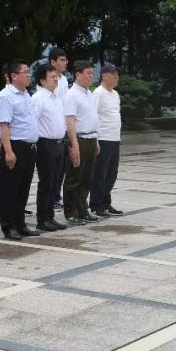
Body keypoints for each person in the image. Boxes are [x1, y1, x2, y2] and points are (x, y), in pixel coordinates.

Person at [0, 60, 39, 240]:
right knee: (9, 189)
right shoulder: (6, 96)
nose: (29, 75)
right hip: (15, 146)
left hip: (29, 147)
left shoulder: (26, 94)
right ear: (14, 76)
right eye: (25, 72)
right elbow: (4, 125)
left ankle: (20, 224)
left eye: (29, 72)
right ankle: (9, 226)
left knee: (23, 188)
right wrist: (8, 151)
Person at [32, 64, 68, 232]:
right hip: (45, 144)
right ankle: (42, 219)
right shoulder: (38, 98)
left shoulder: (57, 97)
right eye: (52, 77)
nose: (56, 80)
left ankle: (50, 217)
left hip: (59, 143)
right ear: (42, 81)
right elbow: (33, 122)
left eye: (57, 77)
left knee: (54, 182)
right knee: (46, 182)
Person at [63, 60, 99, 225]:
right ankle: (70, 212)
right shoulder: (71, 95)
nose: (91, 76)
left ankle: (82, 209)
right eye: (88, 73)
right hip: (79, 139)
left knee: (86, 178)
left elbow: (92, 118)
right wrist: (74, 145)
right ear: (78, 74)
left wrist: (96, 140)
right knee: (74, 178)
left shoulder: (89, 94)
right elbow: (70, 121)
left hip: (91, 138)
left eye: (92, 73)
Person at [91, 63, 124, 217]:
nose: (115, 77)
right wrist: (95, 139)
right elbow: (93, 116)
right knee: (100, 173)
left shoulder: (115, 94)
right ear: (103, 76)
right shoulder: (98, 93)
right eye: (112, 74)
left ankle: (106, 202)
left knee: (112, 173)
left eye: (116, 74)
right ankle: (96, 204)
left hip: (114, 138)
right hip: (103, 138)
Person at [47, 47, 70, 210]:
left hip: (63, 127)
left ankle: (56, 196)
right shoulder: (46, 79)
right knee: (51, 169)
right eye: (61, 60)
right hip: (50, 130)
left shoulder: (65, 80)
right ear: (53, 62)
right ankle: (50, 197)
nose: (65, 63)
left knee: (62, 167)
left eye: (65, 60)